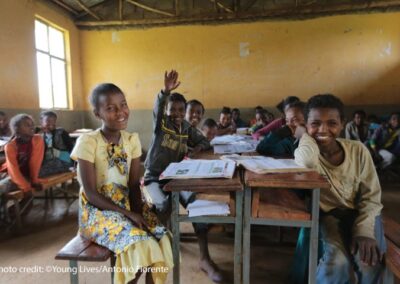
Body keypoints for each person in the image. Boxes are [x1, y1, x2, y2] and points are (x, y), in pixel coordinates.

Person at [71, 83, 172, 284]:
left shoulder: (131, 140)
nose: (120, 112)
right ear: (97, 113)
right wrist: (129, 215)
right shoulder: (88, 142)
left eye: (123, 104)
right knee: (139, 244)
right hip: (96, 212)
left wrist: (140, 213)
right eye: (110, 108)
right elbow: (91, 193)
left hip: (127, 205)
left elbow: (134, 184)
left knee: (161, 236)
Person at [292, 94, 385, 284]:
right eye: (315, 123)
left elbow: (372, 198)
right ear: (306, 125)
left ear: (342, 123)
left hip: (364, 213)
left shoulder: (358, 150)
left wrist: (364, 231)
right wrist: (304, 135)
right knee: (337, 263)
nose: (323, 129)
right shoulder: (308, 152)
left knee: (370, 261)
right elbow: (307, 160)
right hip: (330, 216)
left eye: (332, 123)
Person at [142, 70, 223, 282]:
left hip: (178, 177)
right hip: (154, 177)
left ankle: (205, 259)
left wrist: (193, 150)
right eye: (172, 109)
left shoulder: (186, 128)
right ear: (166, 111)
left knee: (197, 204)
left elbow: (204, 142)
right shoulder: (162, 125)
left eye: (180, 109)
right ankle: (159, 251)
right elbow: (157, 109)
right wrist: (165, 92)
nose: (176, 113)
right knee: (162, 205)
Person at [0, 114, 45, 222]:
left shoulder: (37, 140)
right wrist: (25, 187)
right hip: (12, 175)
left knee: (27, 198)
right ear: (17, 129)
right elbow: (13, 170)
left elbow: (35, 162)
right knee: (3, 188)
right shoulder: (10, 146)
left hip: (26, 175)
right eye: (27, 125)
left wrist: (34, 181)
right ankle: (5, 216)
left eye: (32, 125)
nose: (32, 127)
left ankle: (11, 217)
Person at [36, 111, 74, 177]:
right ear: (41, 122)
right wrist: (37, 129)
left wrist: (74, 164)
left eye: (53, 122)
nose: (51, 124)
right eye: (47, 121)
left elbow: (72, 149)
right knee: (34, 168)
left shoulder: (61, 132)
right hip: (49, 161)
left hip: (64, 161)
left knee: (38, 172)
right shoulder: (40, 135)